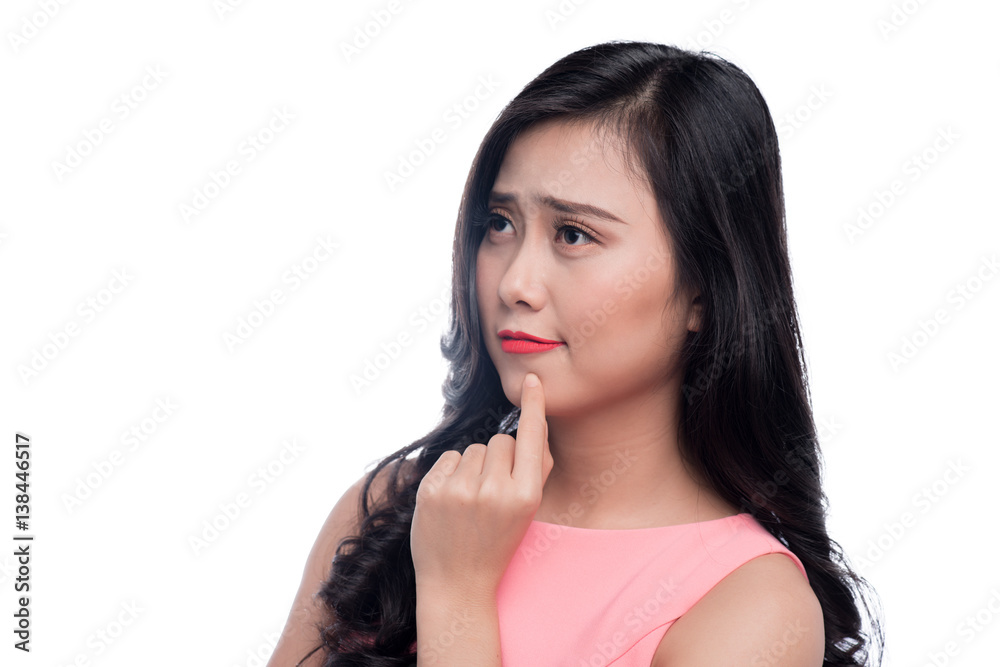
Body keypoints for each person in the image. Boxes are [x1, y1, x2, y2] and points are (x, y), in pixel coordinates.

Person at [269, 40, 884, 666]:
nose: (515, 283)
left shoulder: (752, 604)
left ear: (705, 287)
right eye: (500, 224)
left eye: (573, 234)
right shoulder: (392, 509)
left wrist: (457, 597)